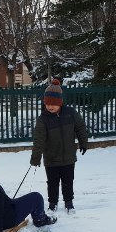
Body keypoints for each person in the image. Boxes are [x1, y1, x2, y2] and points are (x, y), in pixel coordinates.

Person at [30, 79, 89, 213]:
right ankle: (53, 203)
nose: (50, 107)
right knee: (52, 183)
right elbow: (38, 140)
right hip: (51, 159)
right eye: (48, 103)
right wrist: (35, 157)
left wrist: (83, 143)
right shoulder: (43, 119)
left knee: (68, 181)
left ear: (60, 102)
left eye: (53, 104)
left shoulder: (70, 113)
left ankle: (69, 202)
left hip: (68, 157)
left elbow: (80, 127)